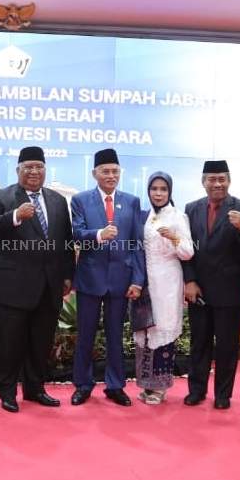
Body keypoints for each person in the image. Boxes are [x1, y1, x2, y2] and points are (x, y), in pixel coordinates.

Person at [0, 146, 74, 413]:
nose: (34, 171)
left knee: (40, 342)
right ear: (18, 170)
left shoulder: (57, 200)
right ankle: (7, 392)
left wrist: (67, 274)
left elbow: (65, 240)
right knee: (7, 343)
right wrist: (15, 216)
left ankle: (35, 389)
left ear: (45, 170)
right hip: (11, 286)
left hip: (48, 286)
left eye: (39, 167)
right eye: (28, 167)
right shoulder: (1, 196)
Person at [69, 148, 144, 407]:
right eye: (105, 171)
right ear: (95, 174)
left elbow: (137, 243)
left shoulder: (131, 201)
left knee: (115, 336)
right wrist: (100, 234)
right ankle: (83, 384)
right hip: (90, 278)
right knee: (85, 336)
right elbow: (77, 234)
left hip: (121, 280)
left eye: (115, 171)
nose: (111, 176)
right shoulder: (80, 200)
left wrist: (137, 279)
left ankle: (115, 385)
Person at [181, 160, 240, 408]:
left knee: (227, 346)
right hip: (199, 289)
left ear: (229, 181)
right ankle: (196, 390)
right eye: (212, 179)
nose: (217, 184)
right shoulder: (191, 209)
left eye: (222, 179)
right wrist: (189, 280)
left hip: (229, 290)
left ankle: (223, 395)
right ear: (203, 182)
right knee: (199, 343)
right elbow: (185, 250)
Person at [134, 171, 194, 405]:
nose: (158, 193)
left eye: (163, 189)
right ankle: (147, 385)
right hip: (146, 282)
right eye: (154, 189)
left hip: (168, 282)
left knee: (163, 330)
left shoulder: (178, 216)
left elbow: (188, 252)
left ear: (170, 191)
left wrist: (174, 238)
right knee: (146, 331)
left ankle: (160, 388)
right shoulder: (145, 216)